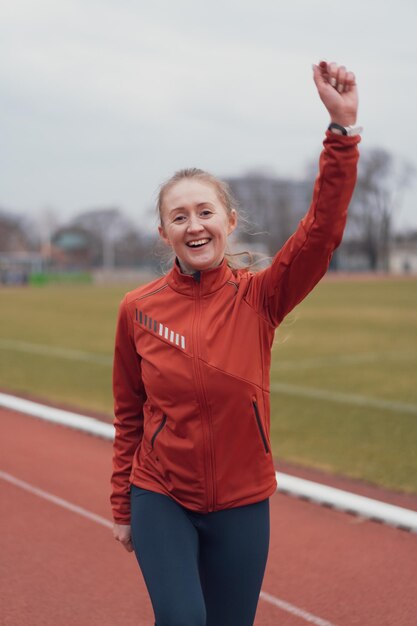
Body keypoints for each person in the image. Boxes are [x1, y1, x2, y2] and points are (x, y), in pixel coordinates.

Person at [110, 60, 361, 626]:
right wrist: (122, 504)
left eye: (205, 212)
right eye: (179, 216)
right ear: (164, 232)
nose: (194, 225)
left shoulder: (262, 297)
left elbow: (321, 232)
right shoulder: (137, 310)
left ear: (228, 220)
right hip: (161, 495)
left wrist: (341, 133)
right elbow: (129, 414)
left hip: (243, 503)